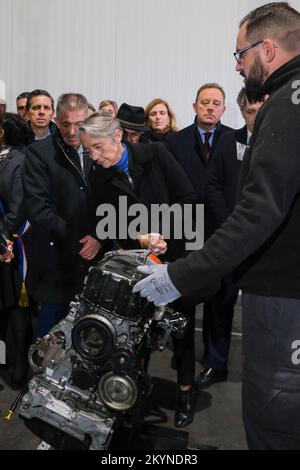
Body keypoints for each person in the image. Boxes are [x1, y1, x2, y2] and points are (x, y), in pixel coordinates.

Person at [134, 2, 300, 450]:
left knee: (275, 426)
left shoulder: (289, 102)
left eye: (240, 55)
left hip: (286, 302)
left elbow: (259, 210)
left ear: (267, 48)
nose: (239, 66)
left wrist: (179, 275)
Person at [79, 112, 198, 428]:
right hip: (135, 266)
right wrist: (139, 238)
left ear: (118, 136)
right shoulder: (98, 173)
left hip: (174, 258)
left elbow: (187, 197)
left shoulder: (156, 155)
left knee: (182, 329)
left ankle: (186, 391)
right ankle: (133, 396)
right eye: (89, 150)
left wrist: (164, 237)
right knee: (135, 335)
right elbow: (102, 223)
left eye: (98, 147)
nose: (94, 156)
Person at [197, 88, 264, 389]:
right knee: (219, 304)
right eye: (250, 111)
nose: (256, 116)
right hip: (228, 238)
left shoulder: (280, 142)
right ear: (241, 110)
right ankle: (215, 362)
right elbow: (212, 185)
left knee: (262, 311)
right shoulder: (227, 141)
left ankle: (262, 370)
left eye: (262, 109)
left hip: (264, 243)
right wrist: (229, 224)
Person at [23, 93, 101, 338]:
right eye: (65, 124)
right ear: (57, 120)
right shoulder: (39, 153)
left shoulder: (98, 151)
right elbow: (38, 209)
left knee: (89, 340)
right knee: (49, 340)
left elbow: (111, 201)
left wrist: (99, 236)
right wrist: (79, 239)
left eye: (79, 124)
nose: (72, 131)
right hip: (56, 264)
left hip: (95, 260)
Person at [0, 112, 33, 388]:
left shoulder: (18, 162)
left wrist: (4, 237)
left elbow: (18, 207)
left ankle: (16, 371)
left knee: (15, 311)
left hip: (10, 247)